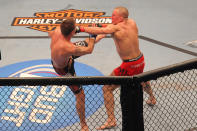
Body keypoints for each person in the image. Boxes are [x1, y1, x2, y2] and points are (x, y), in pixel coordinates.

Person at [76, 6, 156, 130]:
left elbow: (103, 31)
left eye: (113, 15)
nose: (111, 17)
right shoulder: (132, 22)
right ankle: (152, 97)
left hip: (128, 65)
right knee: (141, 78)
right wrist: (101, 25)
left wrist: (80, 28)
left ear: (120, 17)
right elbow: (110, 27)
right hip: (140, 60)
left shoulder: (115, 28)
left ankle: (111, 120)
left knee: (107, 88)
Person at [49, 18, 102, 131]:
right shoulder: (69, 47)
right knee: (80, 95)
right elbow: (89, 50)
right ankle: (83, 125)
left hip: (64, 57)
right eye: (75, 28)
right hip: (64, 70)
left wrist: (80, 29)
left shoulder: (58, 30)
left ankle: (102, 33)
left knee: (95, 38)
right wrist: (92, 35)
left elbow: (52, 33)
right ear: (72, 32)